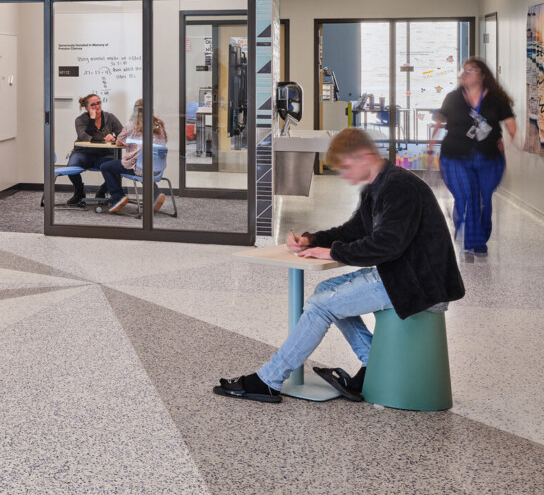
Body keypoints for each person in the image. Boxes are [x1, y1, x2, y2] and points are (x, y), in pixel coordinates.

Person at [214, 128, 465, 404]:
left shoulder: (399, 187)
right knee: (326, 290)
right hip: (404, 275)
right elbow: (353, 230)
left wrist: (331, 251)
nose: (343, 175)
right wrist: (312, 240)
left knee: (323, 304)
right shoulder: (378, 187)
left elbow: (386, 245)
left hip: (419, 284)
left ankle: (268, 380)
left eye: (345, 167)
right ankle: (374, 364)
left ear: (365, 156)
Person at [434, 58, 516, 255]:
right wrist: (430, 148)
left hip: (488, 158)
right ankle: (470, 242)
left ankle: (476, 239)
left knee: (482, 199)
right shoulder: (453, 97)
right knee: (465, 197)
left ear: (483, 74)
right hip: (455, 156)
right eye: (464, 70)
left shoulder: (496, 99)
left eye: (471, 70)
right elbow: (439, 121)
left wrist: (509, 142)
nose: (466, 73)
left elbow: (511, 126)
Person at [101, 99, 167, 215]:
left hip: (138, 165)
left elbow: (118, 143)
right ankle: (156, 196)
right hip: (156, 167)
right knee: (144, 171)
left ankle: (118, 197)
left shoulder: (132, 125)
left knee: (106, 167)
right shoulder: (159, 125)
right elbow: (164, 142)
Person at [64, 93, 122, 206]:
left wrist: (114, 138)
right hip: (83, 153)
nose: (97, 106)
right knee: (71, 167)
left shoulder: (110, 117)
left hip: (104, 154)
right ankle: (79, 192)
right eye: (93, 105)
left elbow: (123, 135)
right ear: (86, 107)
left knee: (116, 167)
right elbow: (85, 137)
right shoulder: (80, 120)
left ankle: (102, 191)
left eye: (99, 103)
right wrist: (92, 119)